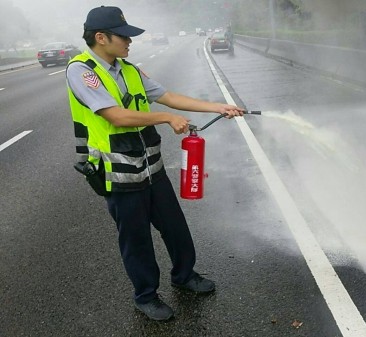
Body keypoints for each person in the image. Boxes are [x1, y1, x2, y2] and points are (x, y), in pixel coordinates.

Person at [65, 6, 245, 321]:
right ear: (100, 37)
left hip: (152, 167)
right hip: (119, 174)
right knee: (136, 241)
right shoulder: (82, 71)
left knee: (175, 228)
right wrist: (165, 118)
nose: (129, 42)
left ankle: (184, 275)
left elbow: (168, 96)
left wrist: (218, 106)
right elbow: (115, 116)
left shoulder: (130, 70)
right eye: (123, 37)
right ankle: (145, 296)